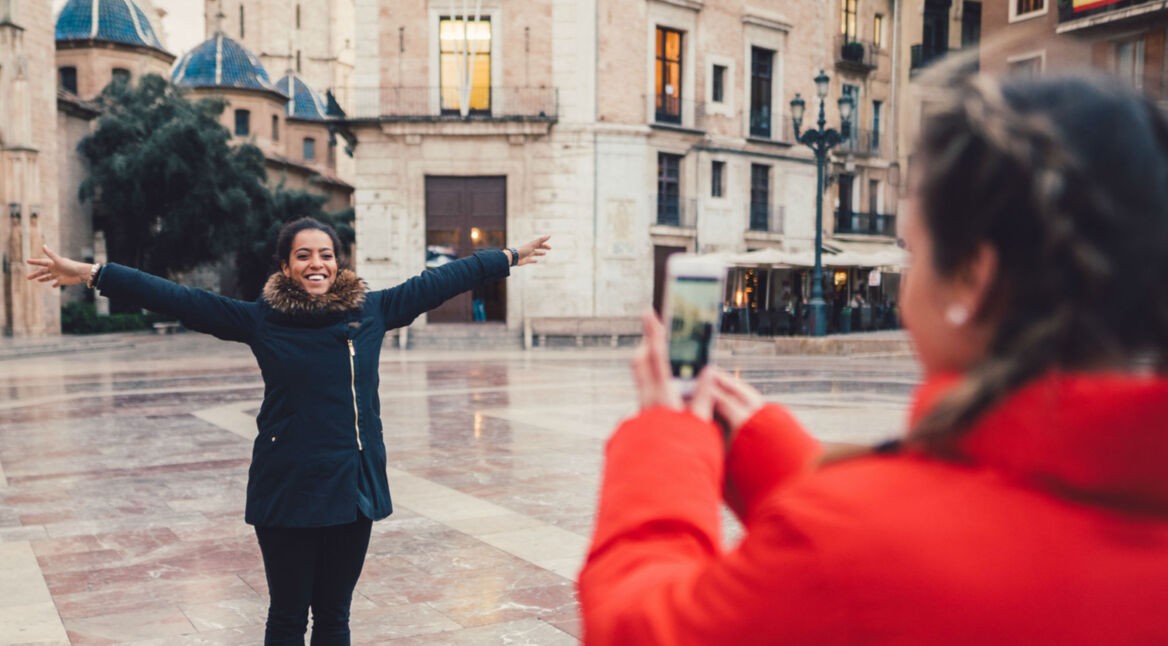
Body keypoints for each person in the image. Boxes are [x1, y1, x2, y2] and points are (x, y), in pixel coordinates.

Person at [578, 72, 1168, 644]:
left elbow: (638, 627)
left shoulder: (850, 546)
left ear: (971, 278)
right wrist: (767, 452)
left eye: (914, 253)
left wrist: (664, 443)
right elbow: (959, 536)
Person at [28, 218, 551, 645]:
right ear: (286, 266)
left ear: (338, 263)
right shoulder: (261, 320)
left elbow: (439, 282)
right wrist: (95, 274)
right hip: (288, 488)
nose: (316, 263)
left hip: (354, 487)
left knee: (334, 618)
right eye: (304, 255)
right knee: (286, 618)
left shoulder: (372, 311)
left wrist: (504, 258)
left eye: (325, 254)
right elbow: (178, 298)